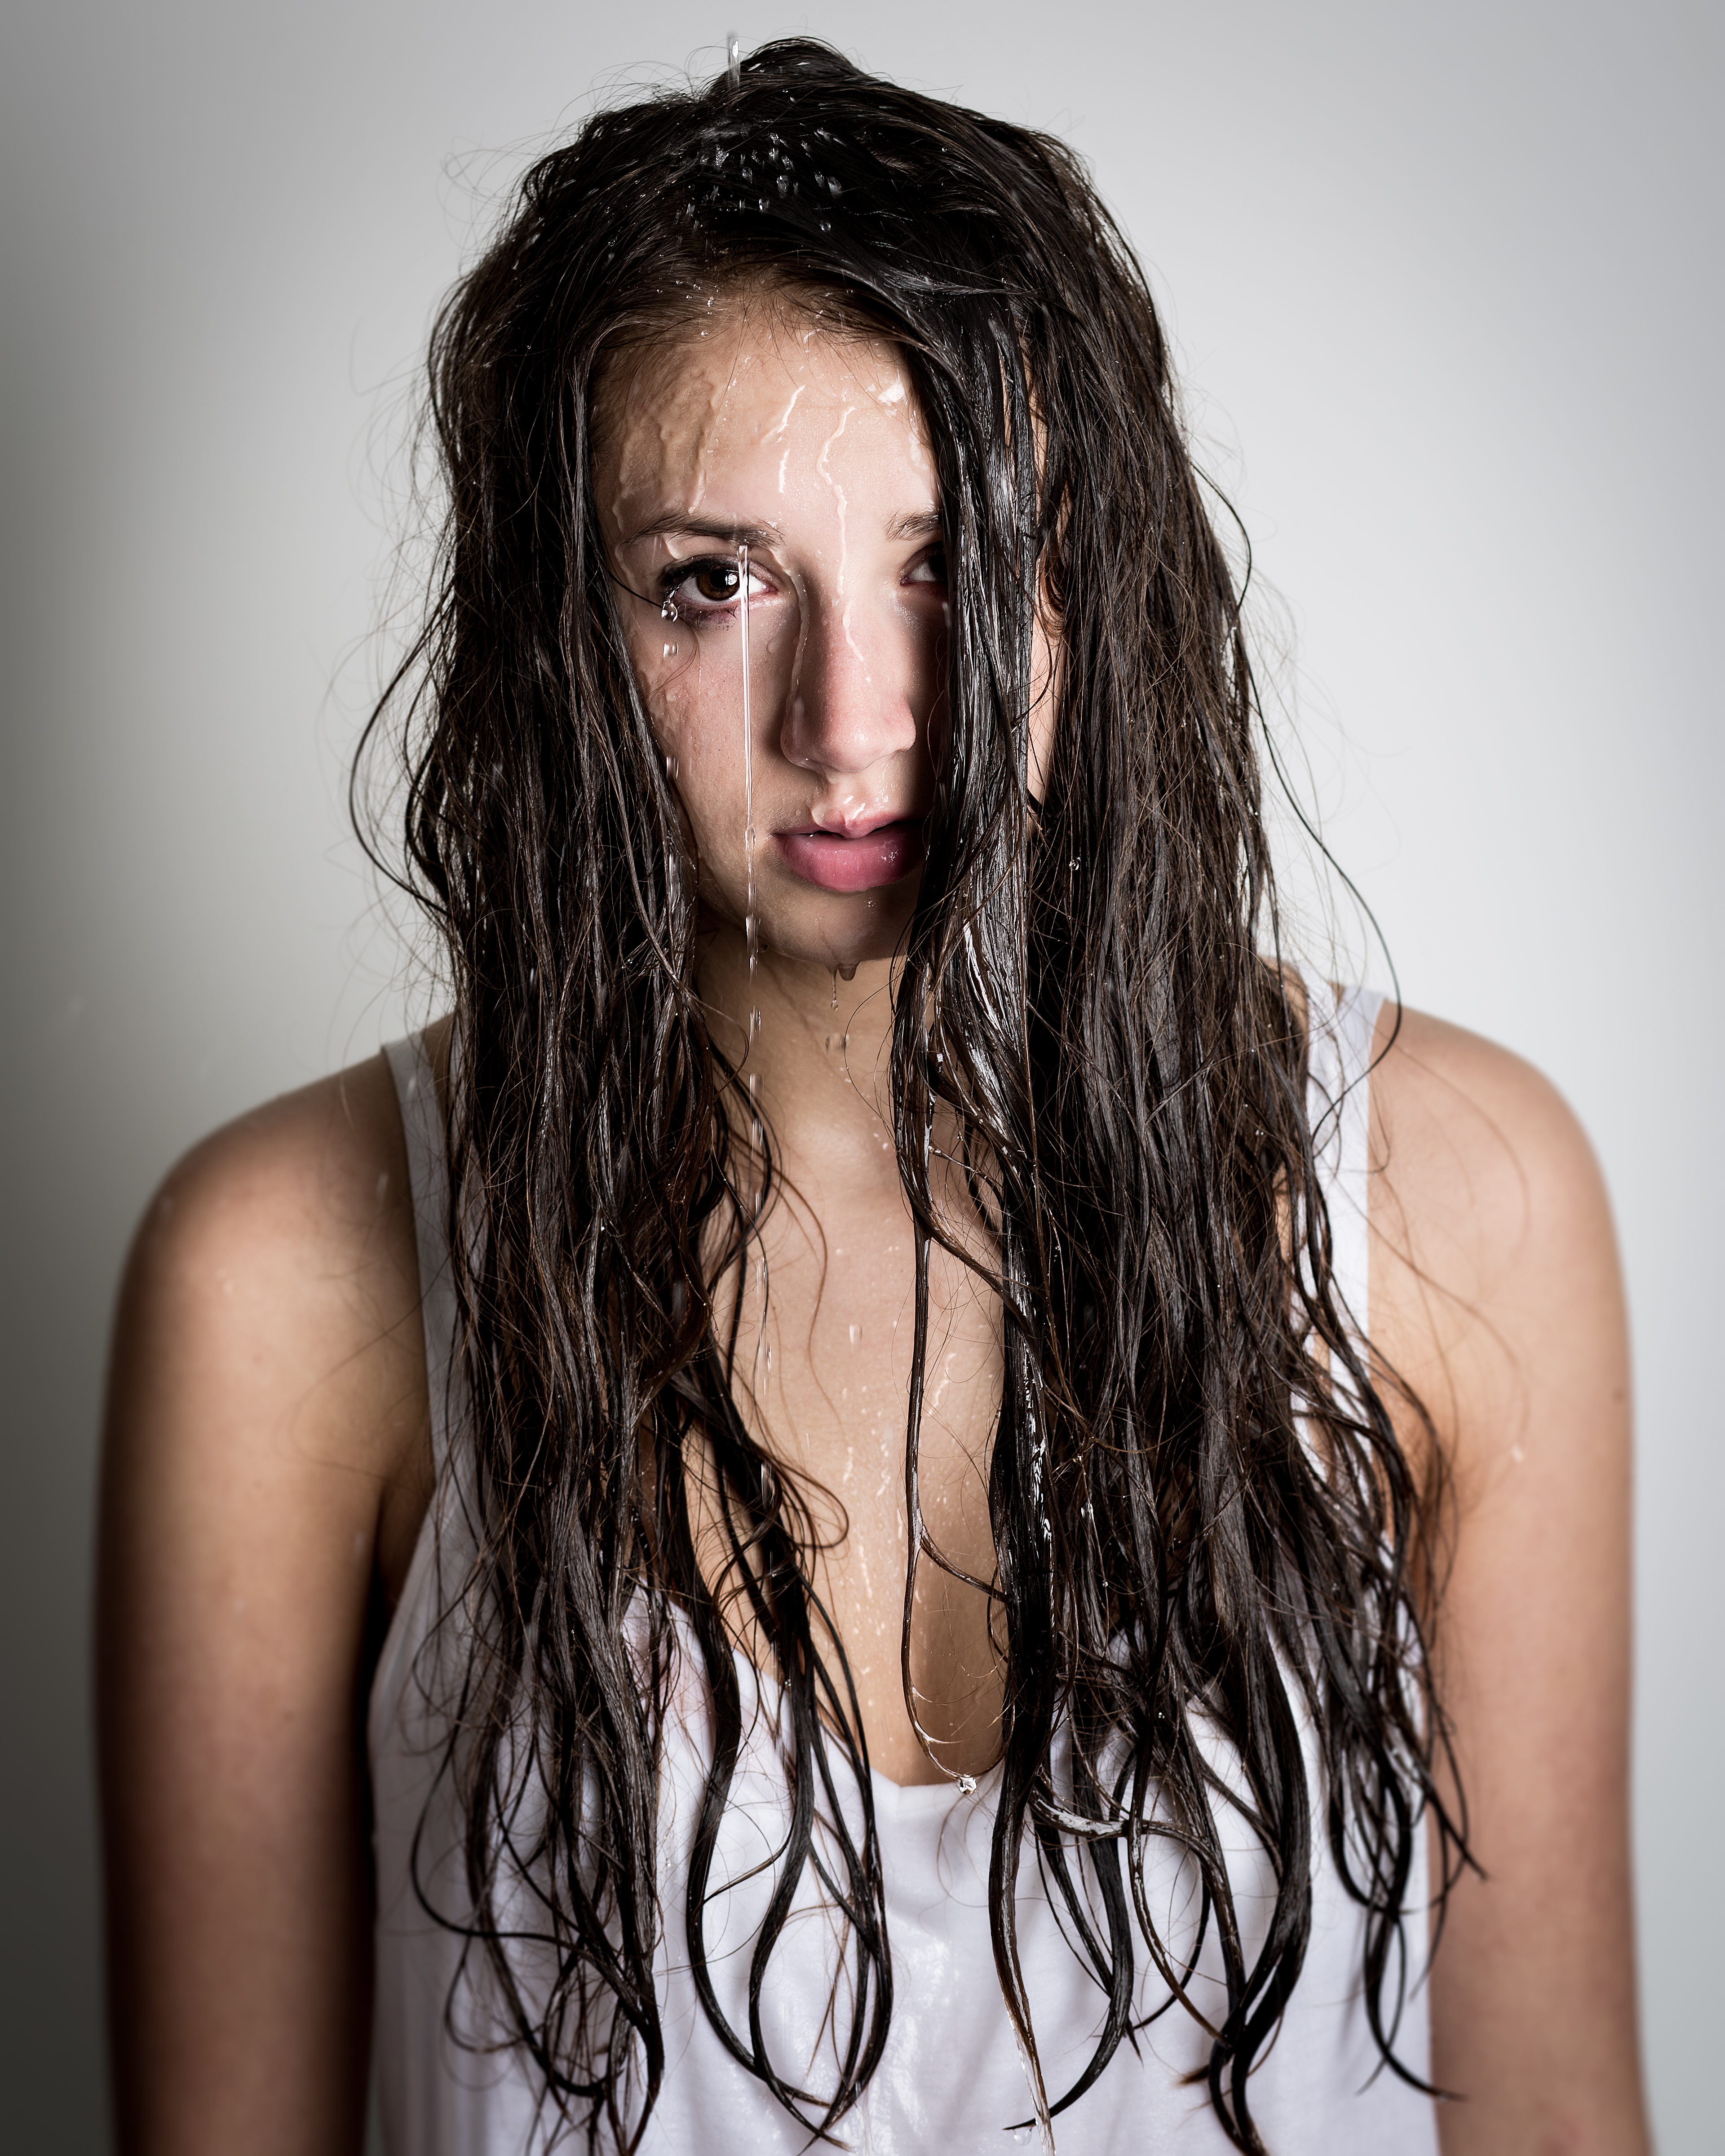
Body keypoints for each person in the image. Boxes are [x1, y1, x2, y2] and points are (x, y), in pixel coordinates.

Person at [96, 38, 1650, 2156]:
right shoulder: (287, 1272)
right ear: (562, 629)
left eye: (954, 557)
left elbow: (1554, 2116)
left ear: (1096, 577)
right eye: (712, 583)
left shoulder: (1462, 1205)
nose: (862, 724)